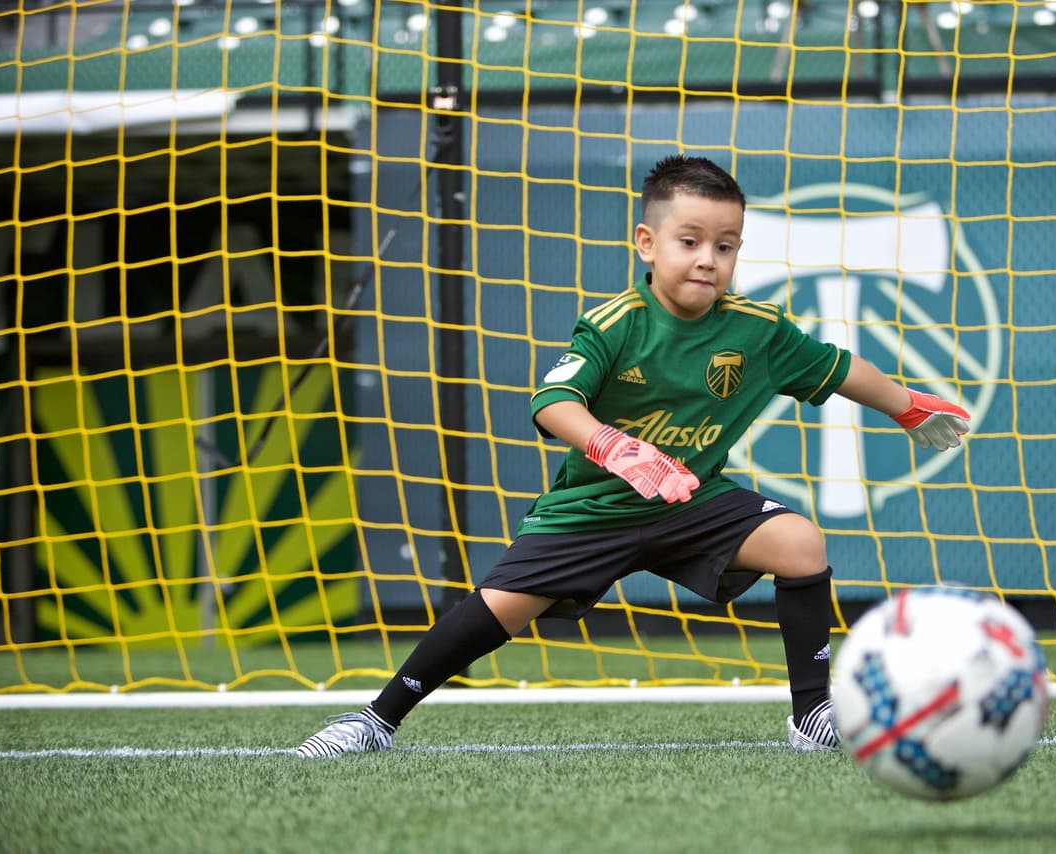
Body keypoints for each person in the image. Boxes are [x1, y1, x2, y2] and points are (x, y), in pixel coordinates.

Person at [296, 154, 970, 758]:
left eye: (726, 245)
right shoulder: (614, 323)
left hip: (691, 501)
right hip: (595, 508)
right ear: (647, 244)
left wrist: (906, 405)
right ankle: (377, 720)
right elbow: (551, 401)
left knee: (799, 542)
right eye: (690, 241)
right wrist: (615, 447)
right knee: (498, 609)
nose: (709, 258)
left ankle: (811, 712)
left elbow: (839, 366)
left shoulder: (758, 331)